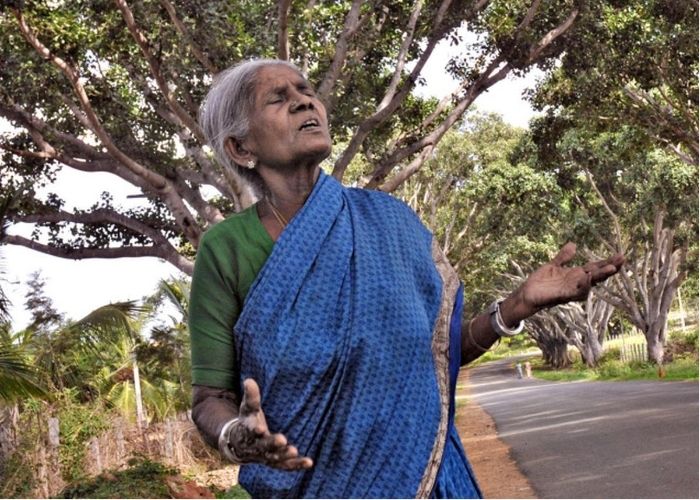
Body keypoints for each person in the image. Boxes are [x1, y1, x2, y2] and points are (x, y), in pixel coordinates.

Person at [189, 59, 624, 498]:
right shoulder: (227, 249)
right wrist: (234, 436)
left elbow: (436, 354)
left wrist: (517, 305)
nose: (304, 100)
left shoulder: (390, 223)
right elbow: (210, 396)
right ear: (241, 149)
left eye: (305, 90)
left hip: (423, 480)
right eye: (278, 98)